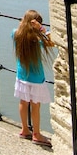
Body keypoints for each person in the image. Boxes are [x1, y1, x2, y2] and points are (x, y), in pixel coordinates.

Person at [13, 9, 56, 147]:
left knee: (23, 102)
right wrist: (42, 29)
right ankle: (36, 134)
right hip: (36, 77)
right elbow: (52, 43)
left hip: (22, 74)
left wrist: (26, 24)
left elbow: (20, 28)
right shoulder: (38, 40)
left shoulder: (16, 34)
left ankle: (24, 129)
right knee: (35, 105)